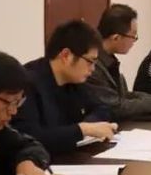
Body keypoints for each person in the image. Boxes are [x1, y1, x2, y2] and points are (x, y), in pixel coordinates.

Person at [12, 20, 116, 154]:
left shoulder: (74, 81)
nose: (93, 69)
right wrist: (82, 129)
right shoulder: (27, 83)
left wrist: (90, 126)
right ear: (66, 55)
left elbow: (102, 108)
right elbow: (31, 138)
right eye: (90, 61)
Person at [87, 4, 151, 120]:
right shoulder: (92, 65)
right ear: (116, 38)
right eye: (133, 35)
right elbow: (116, 107)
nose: (134, 41)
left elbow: (122, 96)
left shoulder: (108, 59)